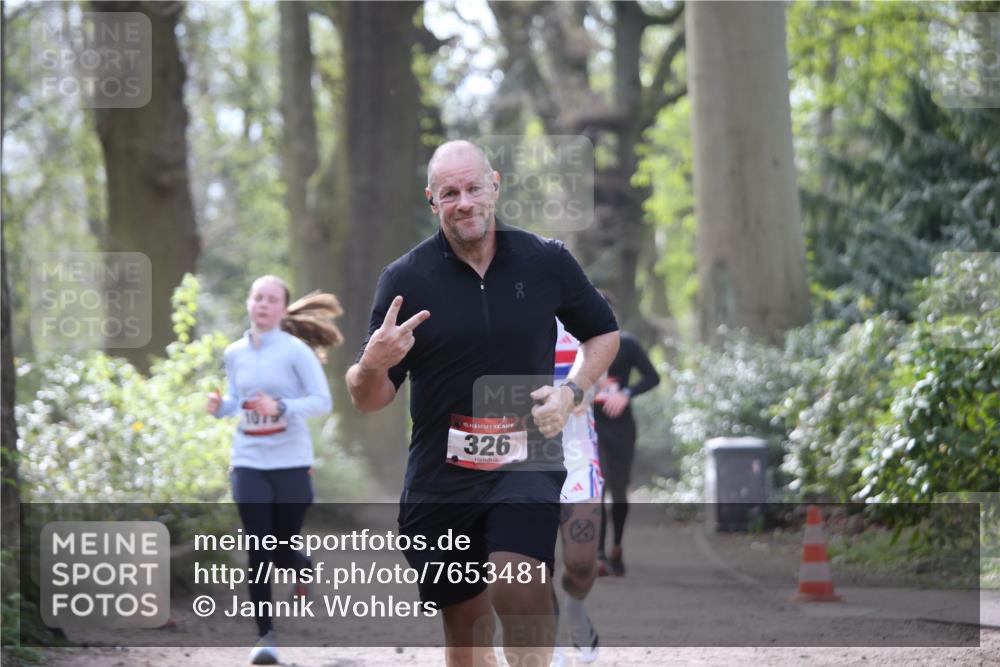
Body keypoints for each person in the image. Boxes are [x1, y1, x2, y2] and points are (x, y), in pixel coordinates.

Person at [345, 140, 619, 667]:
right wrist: (372, 365)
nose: (464, 202)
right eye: (450, 193)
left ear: (495, 185)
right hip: (440, 475)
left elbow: (603, 333)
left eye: (473, 188)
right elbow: (370, 399)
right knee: (466, 633)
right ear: (432, 200)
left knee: (519, 586)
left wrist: (572, 391)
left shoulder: (545, 260)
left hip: (525, 460)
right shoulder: (405, 279)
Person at [207, 275, 343, 665]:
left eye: (271, 299)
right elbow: (237, 399)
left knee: (282, 549)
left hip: (291, 463)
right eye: (257, 298)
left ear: (283, 308)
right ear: (249, 304)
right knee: (259, 546)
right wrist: (222, 407)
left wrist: (281, 407)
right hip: (248, 460)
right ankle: (265, 636)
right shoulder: (234, 352)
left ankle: (302, 565)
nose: (263, 304)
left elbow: (321, 402)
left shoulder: (296, 351)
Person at [593, 293, 660, 578]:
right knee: (597, 487)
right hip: (591, 427)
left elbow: (652, 377)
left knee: (618, 490)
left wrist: (626, 393)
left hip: (621, 428)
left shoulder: (627, 344)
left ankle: (617, 546)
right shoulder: (579, 347)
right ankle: (597, 554)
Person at [552, 318, 603, 664]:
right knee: (531, 563)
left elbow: (602, 358)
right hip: (518, 455)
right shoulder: (496, 304)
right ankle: (548, 643)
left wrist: (584, 387)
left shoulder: (578, 306)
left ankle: (575, 608)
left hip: (575, 456)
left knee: (582, 565)